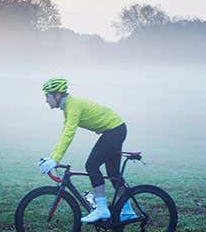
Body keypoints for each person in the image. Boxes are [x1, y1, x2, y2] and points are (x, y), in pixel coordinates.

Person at [38, 78, 136, 223]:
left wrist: (55, 159)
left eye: (47, 96)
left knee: (91, 165)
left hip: (114, 130)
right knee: (113, 174)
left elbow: (68, 134)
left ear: (57, 95)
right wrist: (52, 157)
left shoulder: (73, 106)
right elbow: (65, 132)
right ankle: (128, 211)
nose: (46, 100)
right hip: (115, 129)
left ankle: (102, 209)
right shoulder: (68, 106)